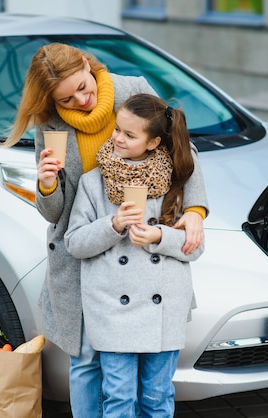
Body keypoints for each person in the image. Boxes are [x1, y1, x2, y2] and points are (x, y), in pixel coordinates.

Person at [4, 44, 208, 418]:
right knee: (86, 364)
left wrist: (195, 211)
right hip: (85, 250)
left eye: (82, 87)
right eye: (66, 98)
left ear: (87, 64)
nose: (81, 100)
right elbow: (58, 214)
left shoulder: (132, 91)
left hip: (146, 252)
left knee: (153, 385)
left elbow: (182, 149)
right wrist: (47, 185)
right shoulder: (50, 126)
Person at [64, 93, 205, 417]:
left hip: (163, 311)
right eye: (117, 130)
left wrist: (159, 236)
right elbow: (74, 243)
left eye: (129, 135)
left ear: (154, 142)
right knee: (119, 400)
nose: (117, 138)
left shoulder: (176, 182)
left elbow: (196, 248)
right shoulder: (93, 182)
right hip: (113, 311)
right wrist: (112, 225)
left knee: (157, 399)